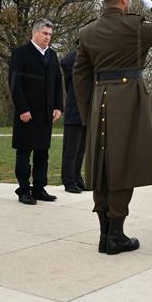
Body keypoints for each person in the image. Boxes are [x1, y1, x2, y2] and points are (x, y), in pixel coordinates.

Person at [73, 0, 152, 255]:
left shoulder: (88, 32)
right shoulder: (135, 27)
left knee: (101, 169)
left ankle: (104, 235)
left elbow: (80, 74)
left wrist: (87, 110)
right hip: (128, 100)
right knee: (123, 168)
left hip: (99, 100)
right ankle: (116, 236)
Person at [8, 19, 63, 205]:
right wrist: (22, 108)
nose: (48, 37)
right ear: (35, 33)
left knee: (42, 152)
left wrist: (58, 106)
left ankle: (39, 188)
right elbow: (15, 85)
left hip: (46, 113)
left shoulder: (52, 55)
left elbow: (57, 82)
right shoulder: (20, 54)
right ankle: (23, 190)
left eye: (50, 34)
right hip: (27, 113)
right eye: (45, 33)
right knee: (24, 152)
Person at [61, 41, 87, 194]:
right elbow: (64, 62)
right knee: (70, 150)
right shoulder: (73, 58)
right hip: (73, 110)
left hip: (86, 112)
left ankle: (77, 178)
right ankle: (68, 181)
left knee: (81, 149)